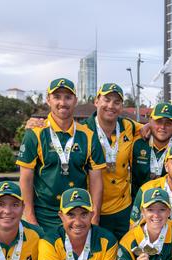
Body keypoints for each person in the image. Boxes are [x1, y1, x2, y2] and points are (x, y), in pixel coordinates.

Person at [17, 78, 106, 231]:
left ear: (75, 100)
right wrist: (30, 218)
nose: (62, 103)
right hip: (43, 216)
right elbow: (25, 179)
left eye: (68, 97)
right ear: (48, 100)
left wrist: (95, 216)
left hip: (78, 216)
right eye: (57, 97)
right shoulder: (35, 134)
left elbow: (96, 181)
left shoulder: (89, 136)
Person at [83, 83, 143, 240]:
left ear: (122, 106)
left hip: (123, 209)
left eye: (117, 102)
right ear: (96, 101)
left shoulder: (128, 125)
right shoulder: (82, 130)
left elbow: (153, 127)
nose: (111, 106)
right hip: (95, 210)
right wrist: (40, 123)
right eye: (107, 100)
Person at [131, 102, 172, 198]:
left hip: (169, 208)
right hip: (138, 205)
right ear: (150, 121)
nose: (162, 127)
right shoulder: (136, 143)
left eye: (168, 123)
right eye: (158, 121)